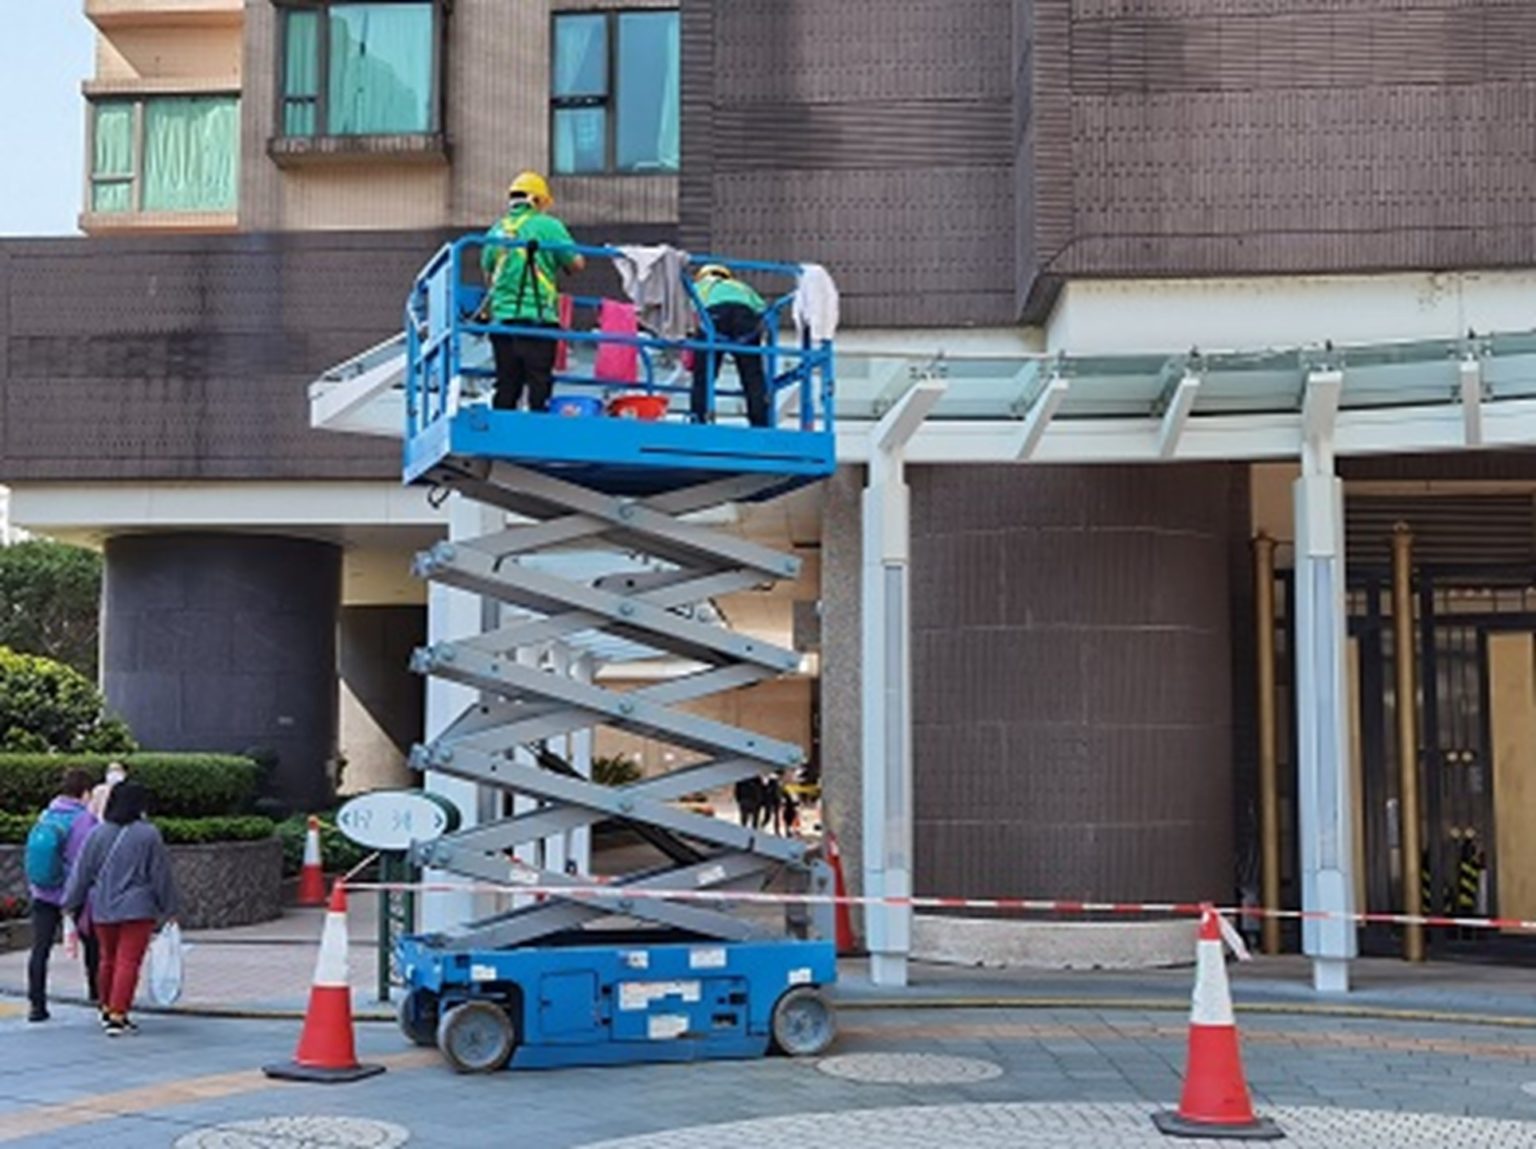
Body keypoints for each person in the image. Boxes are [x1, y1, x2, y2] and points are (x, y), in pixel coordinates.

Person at [64, 781, 179, 1035]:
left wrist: (70, 903)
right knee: (128, 961)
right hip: (138, 908)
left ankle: (106, 1008)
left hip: (103, 907)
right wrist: (169, 908)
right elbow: (160, 874)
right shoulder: (148, 834)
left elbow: (81, 873)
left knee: (107, 959)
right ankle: (118, 1014)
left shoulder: (97, 833)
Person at [479, 170, 585, 413]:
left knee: (507, 384)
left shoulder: (496, 231)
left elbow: (488, 273)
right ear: (536, 200)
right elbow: (577, 264)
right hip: (538, 318)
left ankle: (502, 426)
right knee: (539, 382)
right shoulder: (548, 226)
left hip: (503, 321)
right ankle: (538, 422)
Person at [25, 768, 100, 1022]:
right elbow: (86, 861)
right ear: (85, 793)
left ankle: (36, 1006)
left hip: (42, 892)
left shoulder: (46, 814)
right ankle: (96, 994)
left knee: (40, 949)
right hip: (73, 894)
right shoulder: (84, 820)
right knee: (92, 944)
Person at [690, 265, 771, 427]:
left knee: (704, 373)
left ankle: (699, 417)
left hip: (714, 316)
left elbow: (691, 313)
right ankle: (760, 421)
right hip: (745, 317)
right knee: (752, 374)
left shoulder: (699, 286)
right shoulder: (741, 287)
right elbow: (762, 309)